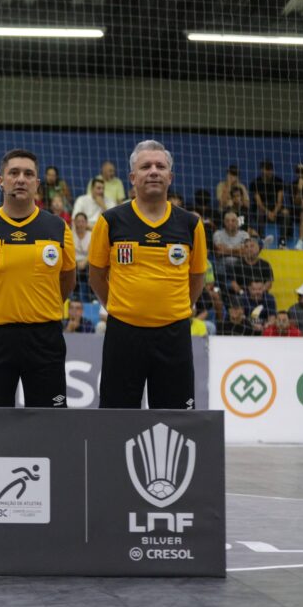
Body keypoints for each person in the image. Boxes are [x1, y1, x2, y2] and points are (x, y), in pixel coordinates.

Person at [88, 140, 206, 409]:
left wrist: (175, 308)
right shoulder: (110, 221)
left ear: (170, 176)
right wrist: (120, 307)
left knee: (175, 418)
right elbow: (96, 275)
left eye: (160, 166)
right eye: (145, 166)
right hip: (123, 333)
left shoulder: (191, 224)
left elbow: (197, 277)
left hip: (174, 335)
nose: (153, 171)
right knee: (116, 417)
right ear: (132, 177)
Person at [0, 148, 76, 408]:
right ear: (0, 181)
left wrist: (43, 306)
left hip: (45, 338)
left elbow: (67, 278)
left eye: (28, 174)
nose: (21, 179)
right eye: (14, 173)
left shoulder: (58, 228)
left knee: (50, 421)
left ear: (37, 183)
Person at [250, 160, 286, 247]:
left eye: (270, 169)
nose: (269, 171)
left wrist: (274, 212)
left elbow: (280, 201)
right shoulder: (255, 183)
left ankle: (282, 242)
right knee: (259, 212)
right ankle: (262, 239)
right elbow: (258, 203)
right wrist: (268, 213)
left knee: (286, 213)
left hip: (275, 209)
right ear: (262, 170)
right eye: (266, 169)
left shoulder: (278, 181)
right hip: (262, 209)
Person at [72, 212, 92, 301]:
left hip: (87, 263)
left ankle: (91, 297)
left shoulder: (91, 235)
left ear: (86, 223)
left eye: (83, 221)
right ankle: (74, 297)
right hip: (73, 263)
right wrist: (76, 262)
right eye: (78, 221)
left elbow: (93, 252)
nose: (80, 224)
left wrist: (84, 261)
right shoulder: (70, 235)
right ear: (74, 223)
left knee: (90, 268)